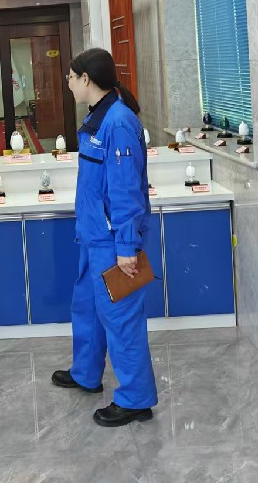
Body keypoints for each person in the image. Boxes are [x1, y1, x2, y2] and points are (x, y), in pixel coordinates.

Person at [51, 47, 159, 427]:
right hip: (94, 237)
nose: (67, 83)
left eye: (70, 77)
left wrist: (127, 247)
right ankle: (86, 372)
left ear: (86, 79)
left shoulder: (119, 122)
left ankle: (135, 398)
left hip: (115, 244)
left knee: (121, 319)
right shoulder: (97, 118)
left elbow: (126, 191)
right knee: (87, 308)